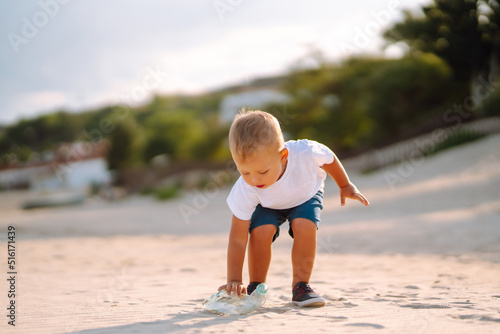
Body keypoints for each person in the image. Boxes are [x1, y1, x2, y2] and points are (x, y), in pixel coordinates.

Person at [218, 110, 370, 307]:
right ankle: (255, 286)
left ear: (283, 156)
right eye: (244, 171)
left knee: (304, 226)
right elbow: (238, 239)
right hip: (268, 205)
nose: (255, 180)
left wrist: (344, 185)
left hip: (305, 195)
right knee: (260, 231)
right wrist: (234, 279)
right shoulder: (246, 188)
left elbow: (328, 157)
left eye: (263, 171)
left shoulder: (305, 152)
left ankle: (301, 286)